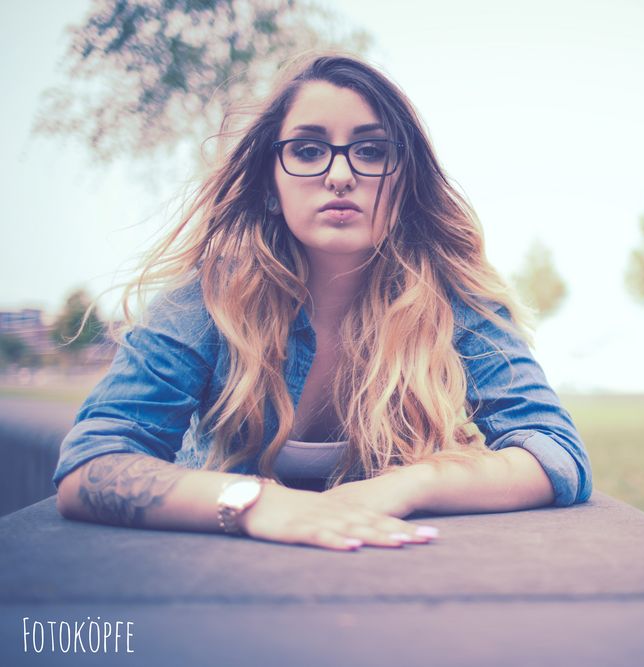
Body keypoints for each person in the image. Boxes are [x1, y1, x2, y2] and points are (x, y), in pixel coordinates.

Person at [53, 52, 592, 552]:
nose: (340, 175)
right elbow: (91, 464)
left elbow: (556, 453)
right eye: (308, 150)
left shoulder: (453, 298)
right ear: (271, 182)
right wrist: (254, 504)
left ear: (405, 181)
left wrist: (409, 486)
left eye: (372, 150)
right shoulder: (207, 301)